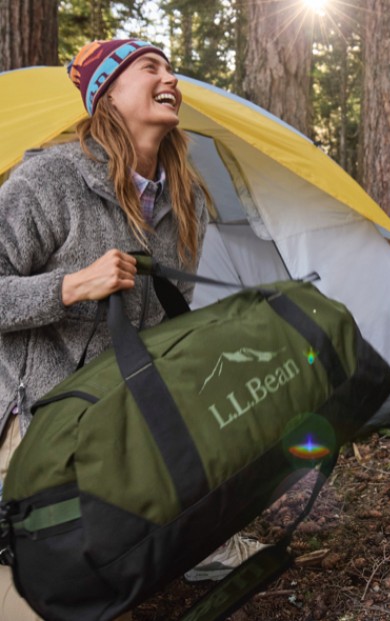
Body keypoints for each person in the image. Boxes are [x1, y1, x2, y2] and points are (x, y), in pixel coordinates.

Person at [0, 38, 209, 621]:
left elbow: (172, 316)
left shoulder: (187, 201)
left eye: (173, 68)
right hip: (36, 421)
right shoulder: (50, 181)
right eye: (151, 68)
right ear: (108, 95)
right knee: (39, 593)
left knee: (109, 572)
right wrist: (68, 287)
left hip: (120, 415)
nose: (171, 78)